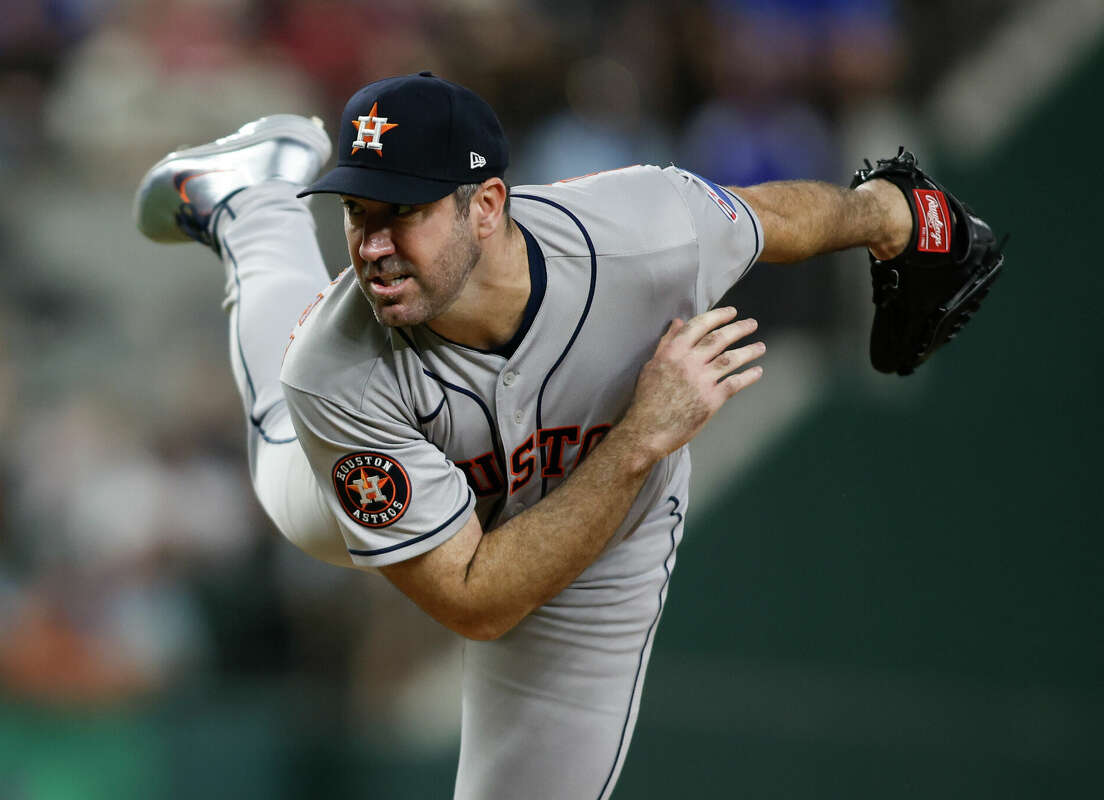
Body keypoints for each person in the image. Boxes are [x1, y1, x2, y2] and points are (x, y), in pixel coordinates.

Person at [134, 72, 913, 799]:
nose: (372, 246)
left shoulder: (645, 228)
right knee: (283, 450)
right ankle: (251, 201)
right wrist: (643, 436)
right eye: (356, 212)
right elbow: (475, 600)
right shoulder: (337, 371)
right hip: (493, 498)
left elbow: (774, 218)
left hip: (600, 524)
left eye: (402, 212)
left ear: (486, 205)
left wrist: (890, 214)